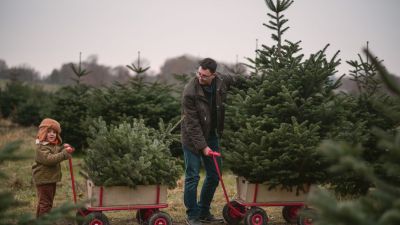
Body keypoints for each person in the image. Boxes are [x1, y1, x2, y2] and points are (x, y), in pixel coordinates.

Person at [181, 58, 237, 225]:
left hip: (211, 135)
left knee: (214, 175)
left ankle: (204, 211)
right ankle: (192, 215)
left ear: (213, 75)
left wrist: (257, 83)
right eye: (199, 73)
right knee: (193, 176)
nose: (200, 77)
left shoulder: (221, 81)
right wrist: (203, 147)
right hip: (192, 138)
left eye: (204, 75)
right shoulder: (190, 92)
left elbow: (238, 80)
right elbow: (192, 124)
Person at [32, 118, 75, 218]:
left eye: (54, 132)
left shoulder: (51, 145)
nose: (52, 134)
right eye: (49, 132)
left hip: (49, 179)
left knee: (45, 202)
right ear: (43, 132)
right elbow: (49, 159)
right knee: (46, 204)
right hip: (44, 179)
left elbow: (56, 152)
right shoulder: (41, 147)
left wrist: (63, 148)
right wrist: (64, 154)